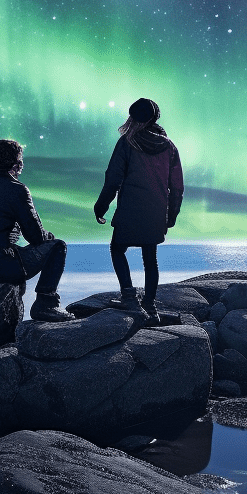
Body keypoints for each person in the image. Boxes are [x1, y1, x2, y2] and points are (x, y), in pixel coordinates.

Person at [0, 138, 74, 322]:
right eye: (21, 159)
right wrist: (46, 237)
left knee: (17, 254)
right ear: (16, 163)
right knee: (58, 247)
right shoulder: (17, 189)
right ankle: (47, 303)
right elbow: (35, 237)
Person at [94, 98, 183, 324]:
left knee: (117, 249)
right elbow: (177, 187)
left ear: (133, 118)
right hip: (156, 212)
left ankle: (129, 297)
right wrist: (170, 216)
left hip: (130, 210)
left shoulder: (127, 142)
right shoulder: (169, 146)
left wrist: (101, 205)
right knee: (150, 258)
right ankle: (150, 306)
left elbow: (113, 178)